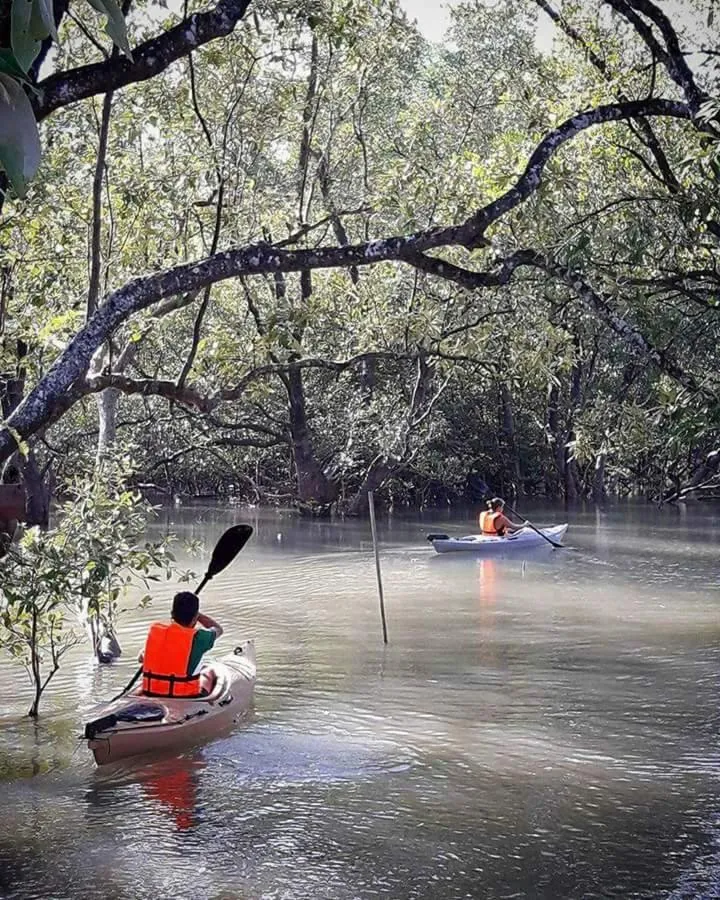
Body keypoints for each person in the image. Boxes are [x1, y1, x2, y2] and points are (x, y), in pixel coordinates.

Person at [139, 591, 223, 698]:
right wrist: (199, 616)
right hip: (183, 696)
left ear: (172, 614)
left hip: (151, 692)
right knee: (210, 671)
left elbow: (141, 658)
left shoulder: (155, 630)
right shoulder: (199, 637)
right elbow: (218, 629)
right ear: (195, 618)